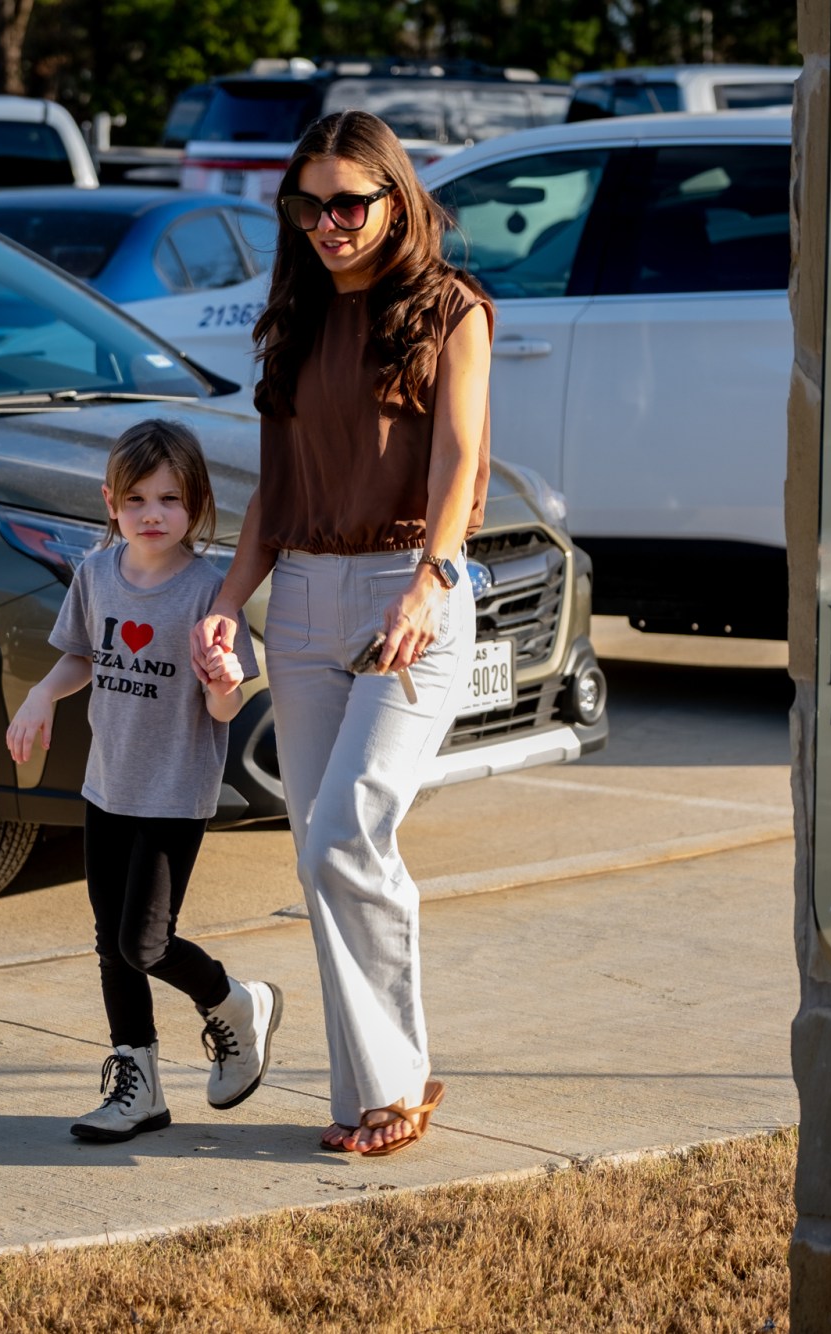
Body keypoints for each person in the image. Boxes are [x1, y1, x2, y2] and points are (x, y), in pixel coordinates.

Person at [192, 111, 493, 1157]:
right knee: (318, 855)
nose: (327, 224)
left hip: (408, 593)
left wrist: (428, 581)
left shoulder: (451, 313)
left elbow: (457, 465)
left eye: (347, 203)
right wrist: (227, 601)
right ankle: (378, 1082)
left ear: (393, 199)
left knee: (343, 834)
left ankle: (396, 1083)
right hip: (306, 605)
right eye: (306, 205)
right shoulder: (292, 321)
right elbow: (272, 500)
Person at [7, 420, 282, 1144]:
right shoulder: (97, 575)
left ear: (196, 503)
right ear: (109, 502)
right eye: (135, 500)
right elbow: (81, 656)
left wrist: (223, 681)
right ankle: (140, 1088)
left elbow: (226, 704)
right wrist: (40, 695)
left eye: (169, 499)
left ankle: (236, 1001)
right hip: (108, 787)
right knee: (111, 943)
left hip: (173, 793)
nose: (152, 514)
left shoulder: (208, 593)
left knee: (145, 944)